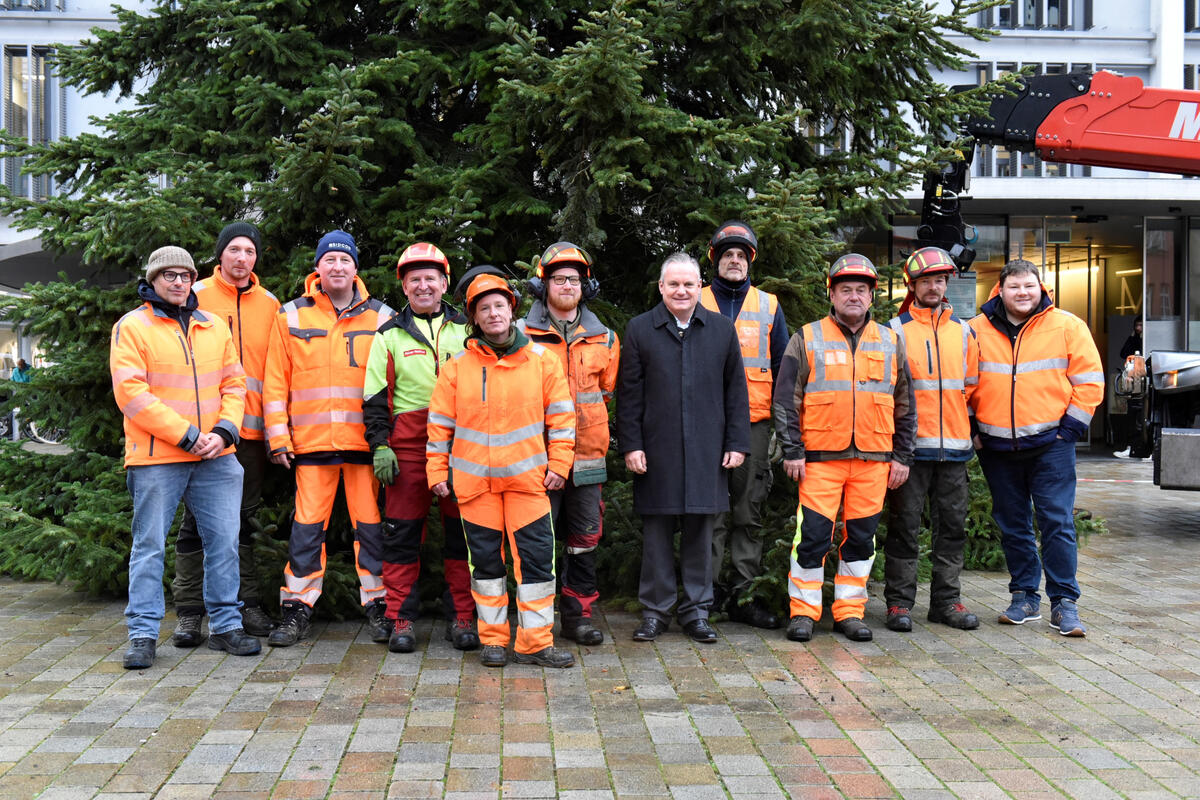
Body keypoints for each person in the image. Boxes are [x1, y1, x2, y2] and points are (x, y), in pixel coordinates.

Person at [109, 245, 260, 669]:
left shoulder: (213, 326)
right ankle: (142, 634)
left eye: (185, 275)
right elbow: (131, 395)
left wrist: (224, 432)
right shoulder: (132, 327)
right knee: (149, 547)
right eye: (169, 275)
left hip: (217, 454)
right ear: (153, 280)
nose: (179, 282)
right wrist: (189, 436)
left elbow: (235, 384)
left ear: (194, 279)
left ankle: (227, 626)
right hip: (158, 457)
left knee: (225, 544)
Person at [427, 268, 578, 668]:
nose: (493, 314)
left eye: (499, 305)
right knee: (487, 567)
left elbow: (562, 420)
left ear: (511, 310)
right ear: (473, 317)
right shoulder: (456, 367)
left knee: (537, 564)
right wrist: (436, 474)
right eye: (484, 308)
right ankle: (493, 640)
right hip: (476, 486)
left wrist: (560, 465)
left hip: (529, 484)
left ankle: (536, 642)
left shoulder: (542, 361)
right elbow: (439, 426)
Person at [262, 230, 396, 647]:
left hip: (363, 446)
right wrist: (278, 438)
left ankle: (380, 607)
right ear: (317, 267)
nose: (337, 267)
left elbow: (396, 384)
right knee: (306, 529)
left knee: (371, 529)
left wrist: (387, 440)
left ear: (356, 268)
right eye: (329, 260)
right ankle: (296, 609)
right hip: (311, 444)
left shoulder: (383, 316)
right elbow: (273, 383)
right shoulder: (291, 315)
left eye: (345, 261)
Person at [773, 254, 916, 643]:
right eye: (845, 289)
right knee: (812, 540)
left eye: (861, 290)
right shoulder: (807, 337)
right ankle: (803, 613)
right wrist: (792, 450)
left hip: (873, 462)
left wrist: (902, 457)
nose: (853, 297)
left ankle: (849, 613)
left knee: (861, 541)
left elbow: (905, 403)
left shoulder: (890, 341)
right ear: (832, 294)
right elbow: (786, 399)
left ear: (872, 297)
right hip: (819, 460)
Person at [616, 252, 750, 644]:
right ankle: (655, 612)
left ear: (699, 288)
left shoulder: (722, 330)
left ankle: (695, 612)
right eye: (673, 284)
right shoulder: (640, 330)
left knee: (700, 533)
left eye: (689, 284)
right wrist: (632, 446)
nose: (681, 290)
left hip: (709, 449)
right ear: (661, 287)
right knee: (656, 534)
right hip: (656, 451)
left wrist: (737, 443)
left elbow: (736, 393)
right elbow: (629, 395)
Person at [969, 258, 1103, 637]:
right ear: (1001, 290)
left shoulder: (1067, 326)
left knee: (1056, 523)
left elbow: (1090, 381)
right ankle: (1024, 596)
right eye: (1015, 287)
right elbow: (962, 384)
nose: (1023, 293)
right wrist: (971, 428)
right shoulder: (976, 330)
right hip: (996, 448)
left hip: (1051, 444)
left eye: (1029, 286)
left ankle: (1064, 603)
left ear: (1041, 288)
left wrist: (1070, 430)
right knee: (1012, 525)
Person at [362, 242, 478, 654]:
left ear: (445, 282)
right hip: (407, 448)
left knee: (461, 536)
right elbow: (375, 397)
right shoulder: (388, 334)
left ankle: (463, 615)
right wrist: (380, 445)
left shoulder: (468, 328)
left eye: (431, 278)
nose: (423, 285)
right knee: (401, 537)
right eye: (415, 279)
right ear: (404, 286)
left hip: (460, 447)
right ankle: (401, 619)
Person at [171, 222, 280, 648]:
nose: (242, 258)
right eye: (234, 249)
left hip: (249, 432)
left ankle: (245, 602)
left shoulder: (271, 304)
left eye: (249, 251)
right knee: (194, 522)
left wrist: (274, 429)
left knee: (243, 520)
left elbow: (277, 372)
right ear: (220, 255)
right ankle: (190, 611)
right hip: (201, 433)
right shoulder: (196, 297)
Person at [518, 242, 620, 647]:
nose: (566, 286)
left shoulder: (605, 338)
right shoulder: (522, 336)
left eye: (573, 279)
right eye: (558, 279)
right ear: (543, 285)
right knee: (538, 542)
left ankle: (578, 618)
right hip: (538, 459)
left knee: (583, 543)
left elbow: (608, 393)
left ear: (586, 286)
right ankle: (537, 621)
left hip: (589, 458)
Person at [883, 247, 980, 633]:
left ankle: (946, 602)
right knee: (904, 527)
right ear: (913, 285)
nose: (934, 287)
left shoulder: (964, 331)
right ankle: (898, 605)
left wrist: (968, 431)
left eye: (940, 280)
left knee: (952, 528)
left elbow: (972, 387)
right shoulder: (895, 330)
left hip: (955, 450)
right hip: (910, 451)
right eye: (926, 281)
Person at [699, 221, 789, 629]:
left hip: (753, 423)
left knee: (747, 512)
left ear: (750, 261)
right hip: (703, 424)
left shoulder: (768, 305)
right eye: (727, 254)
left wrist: (780, 431)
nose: (733, 260)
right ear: (715, 259)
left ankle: (744, 594)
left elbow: (784, 371)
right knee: (708, 514)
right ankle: (707, 595)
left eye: (741, 255)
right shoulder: (693, 299)